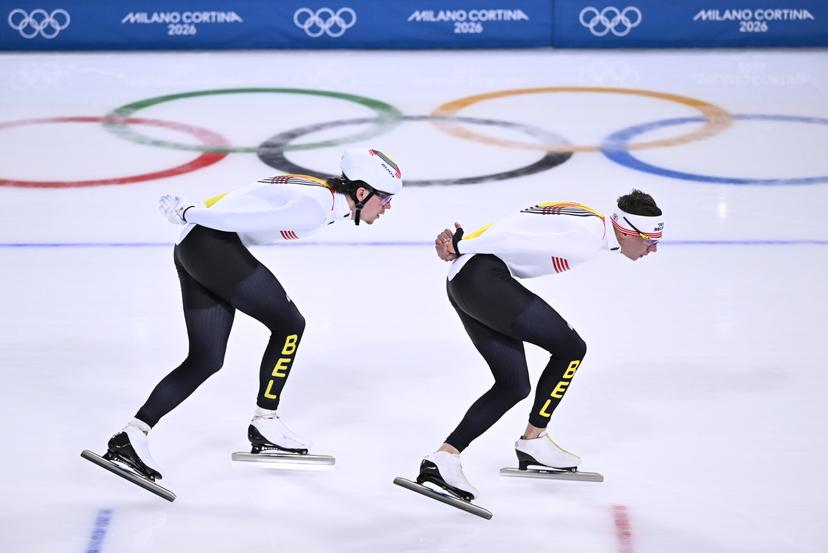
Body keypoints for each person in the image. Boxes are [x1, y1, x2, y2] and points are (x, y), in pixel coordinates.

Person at [101, 147, 403, 483]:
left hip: (194, 247)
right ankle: (266, 421)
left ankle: (133, 435)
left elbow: (237, 200)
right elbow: (234, 219)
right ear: (361, 193)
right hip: (212, 245)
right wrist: (190, 211)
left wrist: (196, 213)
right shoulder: (315, 207)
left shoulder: (326, 200)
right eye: (385, 199)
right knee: (290, 325)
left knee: (206, 360)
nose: (387, 207)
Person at [420, 190, 663, 500]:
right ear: (628, 232)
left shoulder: (591, 224)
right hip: (481, 278)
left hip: (466, 281)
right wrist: (460, 244)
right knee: (572, 348)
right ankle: (534, 440)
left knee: (513, 385)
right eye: (650, 241)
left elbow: (522, 221)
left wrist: (465, 242)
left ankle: (444, 457)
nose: (652, 250)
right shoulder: (586, 237)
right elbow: (513, 234)